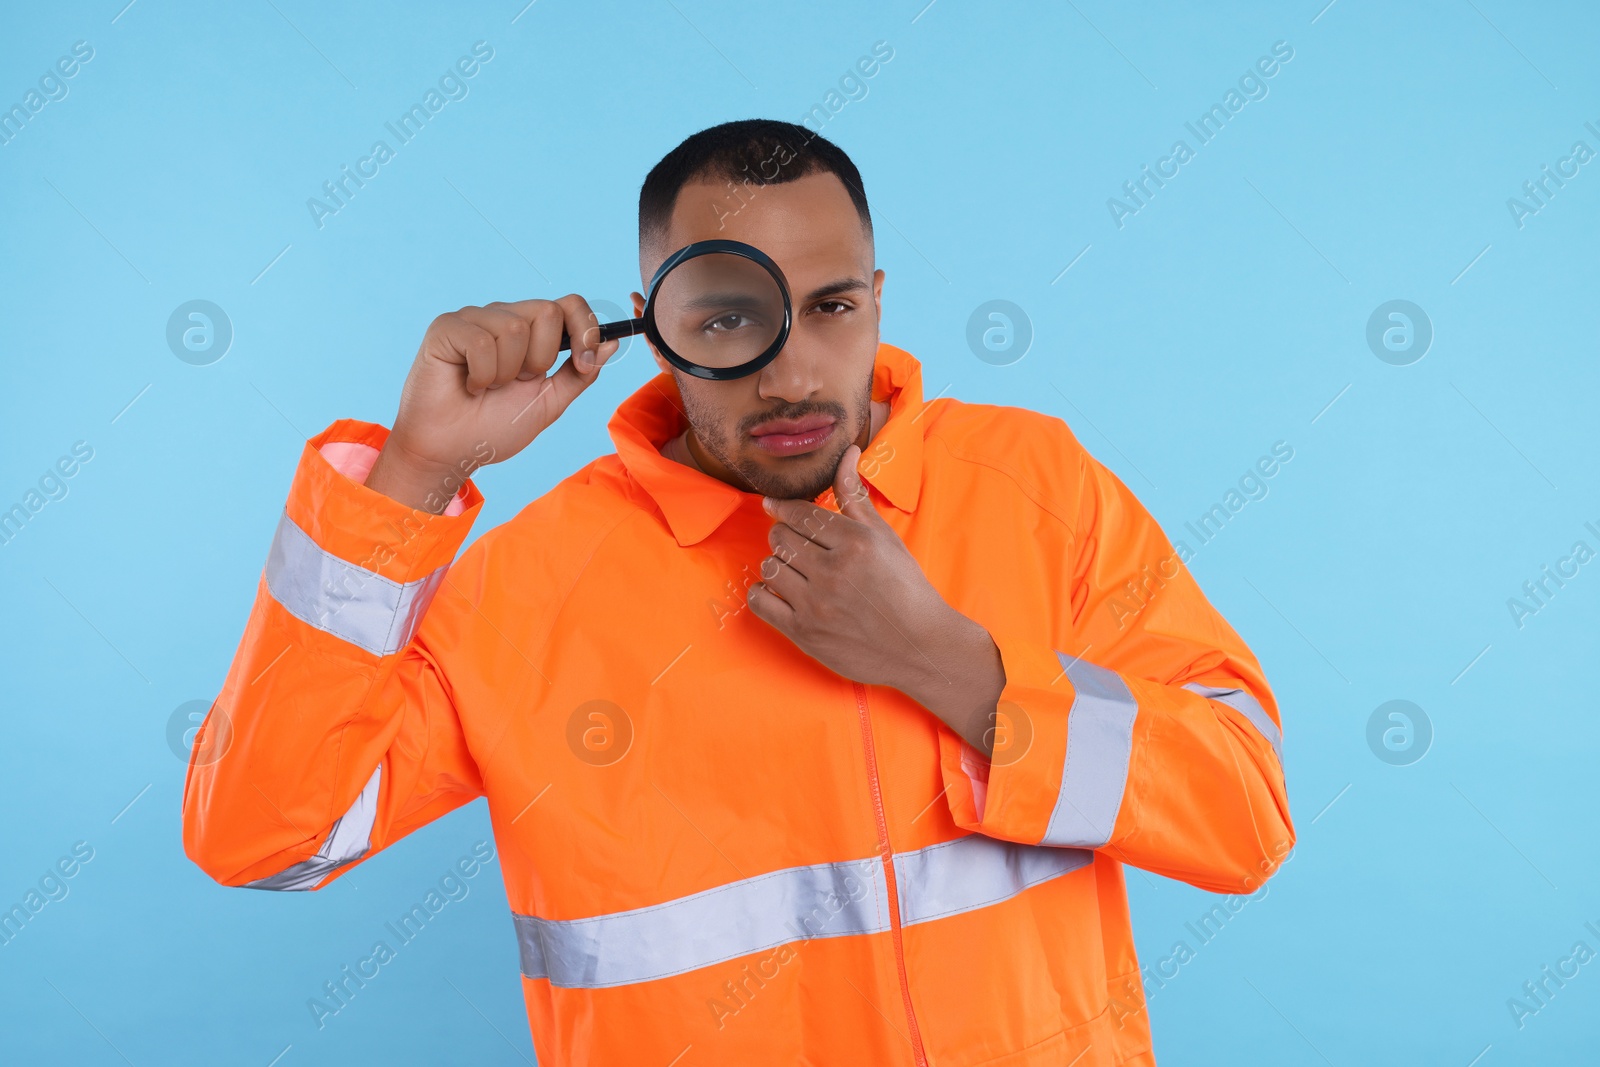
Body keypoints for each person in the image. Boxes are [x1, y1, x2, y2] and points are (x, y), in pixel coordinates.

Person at [182, 118, 1293, 1066]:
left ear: (877, 298)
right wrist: (416, 476)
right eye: (726, 317)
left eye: (833, 306)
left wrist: (952, 668)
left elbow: (1243, 812)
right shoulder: (530, 587)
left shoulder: (1036, 484)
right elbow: (268, 837)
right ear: (652, 322)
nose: (794, 371)